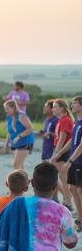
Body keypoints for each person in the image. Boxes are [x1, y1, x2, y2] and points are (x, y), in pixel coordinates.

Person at [0, 162, 78, 250]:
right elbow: (71, 243)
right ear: (55, 187)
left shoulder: (17, 204)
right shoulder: (63, 212)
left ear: (32, 183)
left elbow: (0, 230)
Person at [60, 97, 82, 230]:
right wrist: (59, 153)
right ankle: (79, 218)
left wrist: (69, 161)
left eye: (75, 103)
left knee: (79, 190)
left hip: (79, 161)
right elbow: (72, 142)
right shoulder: (76, 123)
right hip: (75, 161)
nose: (72, 105)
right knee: (72, 189)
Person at [50, 99, 75, 211]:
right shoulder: (60, 120)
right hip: (62, 151)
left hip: (64, 152)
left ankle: (68, 202)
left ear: (62, 108)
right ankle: (66, 200)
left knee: (63, 177)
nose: (53, 109)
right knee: (60, 177)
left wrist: (56, 153)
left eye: (55, 107)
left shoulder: (65, 120)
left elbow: (62, 139)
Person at [3, 100, 35, 170]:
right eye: (5, 109)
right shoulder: (9, 116)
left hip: (25, 142)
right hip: (15, 144)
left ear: (13, 107)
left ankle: (16, 180)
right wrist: (6, 143)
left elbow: (30, 128)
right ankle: (24, 180)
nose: (6, 111)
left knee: (16, 165)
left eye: (7, 109)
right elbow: (9, 131)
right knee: (20, 166)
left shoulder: (21, 115)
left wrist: (18, 137)